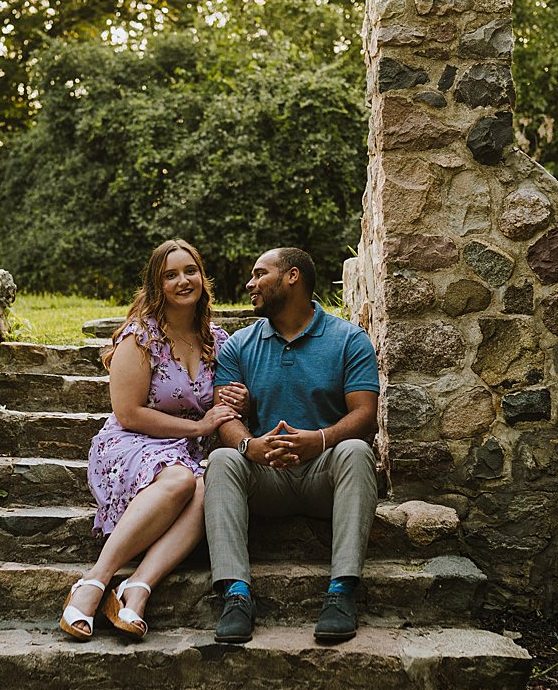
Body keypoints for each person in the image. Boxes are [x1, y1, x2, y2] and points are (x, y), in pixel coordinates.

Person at [61, 242, 243, 643]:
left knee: (206, 486)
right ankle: (94, 581)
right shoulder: (141, 337)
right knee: (180, 480)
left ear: (202, 277)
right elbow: (128, 413)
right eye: (171, 274)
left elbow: (225, 399)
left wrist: (237, 399)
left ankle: (137, 587)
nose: (183, 281)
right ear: (156, 285)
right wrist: (199, 428)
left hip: (187, 453)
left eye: (190, 271)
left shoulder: (218, 340)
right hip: (131, 444)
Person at [203, 248, 381, 648]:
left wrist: (316, 441)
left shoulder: (349, 339)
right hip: (266, 476)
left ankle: (342, 591)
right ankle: (235, 594)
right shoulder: (238, 346)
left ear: (292, 277)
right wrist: (251, 446)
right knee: (221, 459)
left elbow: (365, 415)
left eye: (258, 274)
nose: (249, 284)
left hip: (324, 475)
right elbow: (224, 416)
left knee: (356, 451)